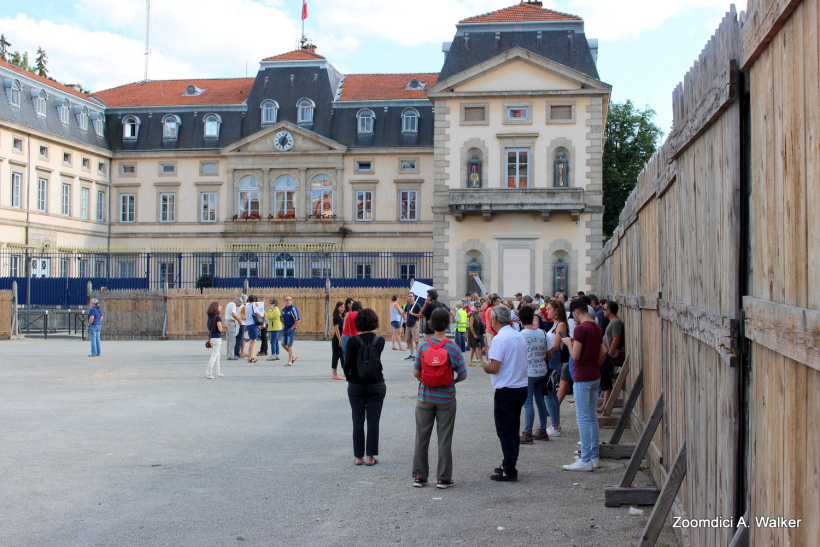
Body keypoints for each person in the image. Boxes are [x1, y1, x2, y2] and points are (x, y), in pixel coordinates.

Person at [412, 308, 467, 488]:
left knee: (422, 437)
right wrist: (451, 382)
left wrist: (427, 380)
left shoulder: (423, 346)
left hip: (425, 397)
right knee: (444, 438)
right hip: (446, 398)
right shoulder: (453, 347)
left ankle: (420, 476)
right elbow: (463, 373)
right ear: (448, 324)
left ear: (431, 324)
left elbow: (416, 373)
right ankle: (443, 478)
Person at [482, 304, 528, 482]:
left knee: (505, 430)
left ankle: (510, 468)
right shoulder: (518, 335)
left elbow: (494, 367)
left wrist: (486, 366)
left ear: (494, 319)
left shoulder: (500, 339)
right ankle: (509, 462)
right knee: (513, 428)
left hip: (507, 388)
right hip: (520, 386)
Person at [562, 298, 607, 471]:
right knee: (592, 418)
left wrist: (568, 343)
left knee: (582, 418)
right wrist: (596, 363)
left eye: (574, 316)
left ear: (576, 312)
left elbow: (576, 356)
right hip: (594, 374)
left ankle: (586, 458)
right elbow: (603, 350)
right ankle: (593, 456)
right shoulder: (597, 327)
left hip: (583, 376)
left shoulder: (581, 329)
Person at [343, 308, 387, 466]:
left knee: (358, 420)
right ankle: (370, 457)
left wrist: (350, 378)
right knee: (373, 421)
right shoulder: (379, 341)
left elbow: (346, 364)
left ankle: (358, 457)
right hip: (376, 383)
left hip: (356, 384)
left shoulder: (352, 341)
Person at [518, 305, 549, 444]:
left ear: (520, 320)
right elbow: (549, 353)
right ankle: (543, 430)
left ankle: (528, 433)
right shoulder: (542, 333)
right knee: (540, 401)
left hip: (528, 372)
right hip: (541, 370)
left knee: (528, 403)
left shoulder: (520, 335)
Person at [545, 299, 570, 437]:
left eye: (549, 308)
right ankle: (556, 424)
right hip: (552, 359)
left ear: (556, 311)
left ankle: (555, 425)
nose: (547, 311)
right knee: (552, 394)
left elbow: (556, 345)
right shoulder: (555, 324)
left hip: (554, 360)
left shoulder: (560, 325)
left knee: (548, 393)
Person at [599, 301, 625, 412]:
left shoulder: (616, 323)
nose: (603, 311)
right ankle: (605, 404)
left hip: (613, 354)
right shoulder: (612, 322)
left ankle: (605, 405)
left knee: (605, 377)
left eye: (604, 309)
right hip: (609, 353)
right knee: (606, 377)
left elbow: (616, 339)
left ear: (609, 310)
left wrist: (609, 355)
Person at [205, 301, 228, 379]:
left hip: (212, 337)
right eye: (219, 306)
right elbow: (219, 329)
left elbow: (213, 326)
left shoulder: (210, 317)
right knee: (214, 356)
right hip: (217, 338)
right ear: (216, 308)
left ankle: (217, 372)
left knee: (217, 355)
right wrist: (222, 327)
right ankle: (208, 372)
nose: (221, 307)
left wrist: (222, 325)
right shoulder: (218, 317)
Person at [280, 295, 301, 366]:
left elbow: (298, 320)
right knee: (283, 344)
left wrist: (292, 328)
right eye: (286, 300)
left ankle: (290, 361)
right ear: (284, 301)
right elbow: (283, 319)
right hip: (285, 328)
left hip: (291, 329)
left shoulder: (293, 309)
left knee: (289, 345)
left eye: (289, 300)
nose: (288, 301)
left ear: (291, 301)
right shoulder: (283, 309)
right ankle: (293, 355)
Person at [245, 295, 264, 363]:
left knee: (251, 341)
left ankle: (251, 356)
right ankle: (250, 357)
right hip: (253, 324)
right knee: (252, 342)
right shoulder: (253, 306)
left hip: (248, 324)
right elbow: (258, 314)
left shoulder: (247, 306)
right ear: (255, 299)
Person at [225, 296, 244, 361]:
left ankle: (228, 353)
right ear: (237, 302)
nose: (238, 306)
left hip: (227, 321)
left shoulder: (228, 304)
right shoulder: (233, 305)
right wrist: (239, 320)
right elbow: (233, 314)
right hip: (231, 322)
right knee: (232, 339)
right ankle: (231, 355)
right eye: (239, 304)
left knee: (228, 339)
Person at [331, 301, 346, 380]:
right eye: (341, 307)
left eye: (343, 307)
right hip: (337, 339)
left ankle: (346, 372)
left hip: (342, 337)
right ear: (337, 307)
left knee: (342, 356)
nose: (343, 309)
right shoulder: (336, 317)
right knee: (336, 356)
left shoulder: (341, 316)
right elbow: (336, 329)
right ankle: (334, 373)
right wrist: (339, 339)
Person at [404, 293, 421, 360]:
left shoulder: (417, 305)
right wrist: (405, 319)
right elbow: (403, 312)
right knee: (409, 340)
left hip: (415, 324)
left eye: (411, 296)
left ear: (414, 297)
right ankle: (412, 354)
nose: (409, 297)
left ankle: (418, 356)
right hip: (408, 324)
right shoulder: (408, 305)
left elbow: (420, 315)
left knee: (416, 340)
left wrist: (412, 313)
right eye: (408, 296)